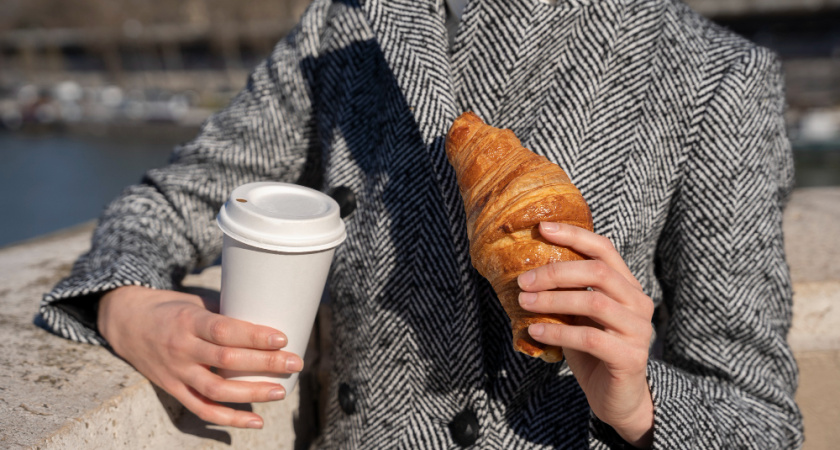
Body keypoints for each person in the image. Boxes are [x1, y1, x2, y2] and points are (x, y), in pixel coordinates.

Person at [41, 0, 804, 448]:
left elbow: (759, 418)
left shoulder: (710, 76)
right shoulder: (346, 34)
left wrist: (637, 405)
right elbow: (171, 202)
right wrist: (128, 304)